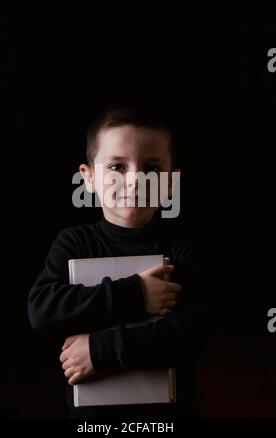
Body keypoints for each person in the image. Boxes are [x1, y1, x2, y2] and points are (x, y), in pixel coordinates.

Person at [28, 102, 204, 421]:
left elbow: (193, 334)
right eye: (117, 167)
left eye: (151, 169)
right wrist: (136, 294)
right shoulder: (73, 243)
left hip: (169, 420)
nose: (135, 180)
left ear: (170, 183)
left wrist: (100, 350)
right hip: (92, 422)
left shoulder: (182, 249)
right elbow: (42, 310)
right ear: (89, 178)